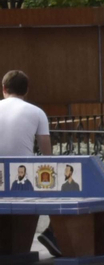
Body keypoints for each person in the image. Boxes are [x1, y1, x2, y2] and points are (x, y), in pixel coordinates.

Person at [0, 70, 56, 253]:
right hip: (23, 175)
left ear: (4, 88)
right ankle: (54, 233)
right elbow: (46, 152)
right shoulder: (36, 112)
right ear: (26, 90)